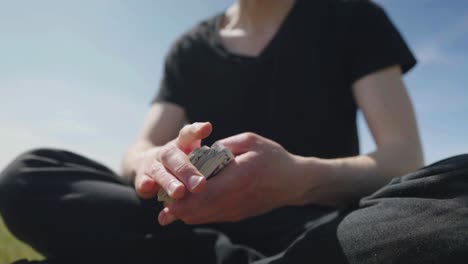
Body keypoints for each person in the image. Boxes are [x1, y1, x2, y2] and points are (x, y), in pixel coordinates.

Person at [1, 0, 468, 263]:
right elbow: (138, 150)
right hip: (188, 223)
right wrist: (152, 162)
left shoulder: (351, 17)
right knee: (29, 176)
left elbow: (403, 157)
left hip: (322, 227)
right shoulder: (188, 48)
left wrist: (300, 178)